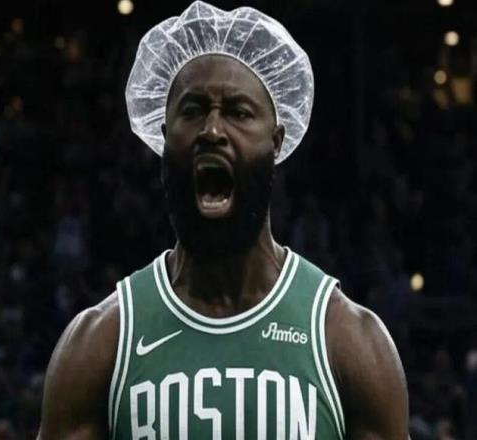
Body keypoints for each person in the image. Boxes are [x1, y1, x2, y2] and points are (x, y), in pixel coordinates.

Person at [37, 2, 409, 438]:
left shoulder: (347, 340)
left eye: (238, 111)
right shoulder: (101, 342)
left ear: (276, 141)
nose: (212, 130)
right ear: (163, 135)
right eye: (193, 110)